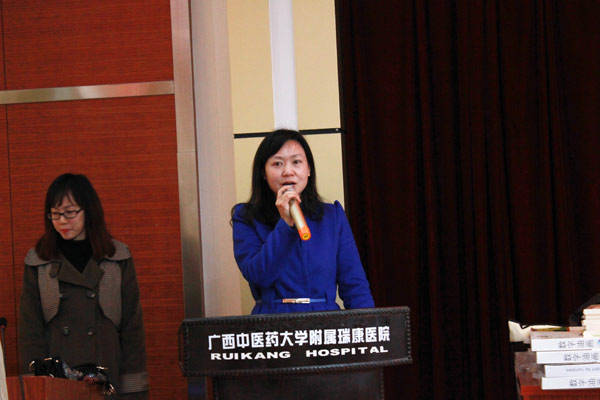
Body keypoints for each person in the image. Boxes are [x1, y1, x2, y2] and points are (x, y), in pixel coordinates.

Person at [18, 173, 149, 399]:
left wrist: (134, 391)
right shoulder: (38, 261)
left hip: (107, 381)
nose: (62, 221)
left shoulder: (117, 258)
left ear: (89, 211)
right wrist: (35, 388)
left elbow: (132, 331)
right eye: (55, 214)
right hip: (57, 384)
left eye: (70, 212)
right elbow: (30, 334)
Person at [231, 129, 375, 314]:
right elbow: (258, 275)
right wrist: (285, 224)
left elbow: (355, 286)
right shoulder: (246, 217)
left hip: (325, 321)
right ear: (263, 173)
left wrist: (367, 326)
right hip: (272, 321)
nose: (288, 172)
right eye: (277, 164)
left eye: (296, 162)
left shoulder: (332, 216)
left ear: (308, 170)